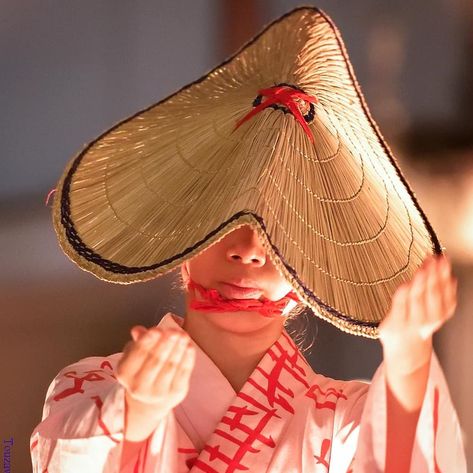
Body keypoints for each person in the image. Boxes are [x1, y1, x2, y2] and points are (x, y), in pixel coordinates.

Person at [30, 6, 467, 472]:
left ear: (308, 281)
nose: (248, 251)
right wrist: (133, 413)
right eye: (223, 226)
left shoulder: (339, 419)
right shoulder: (92, 385)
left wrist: (407, 356)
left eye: (278, 238)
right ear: (184, 250)